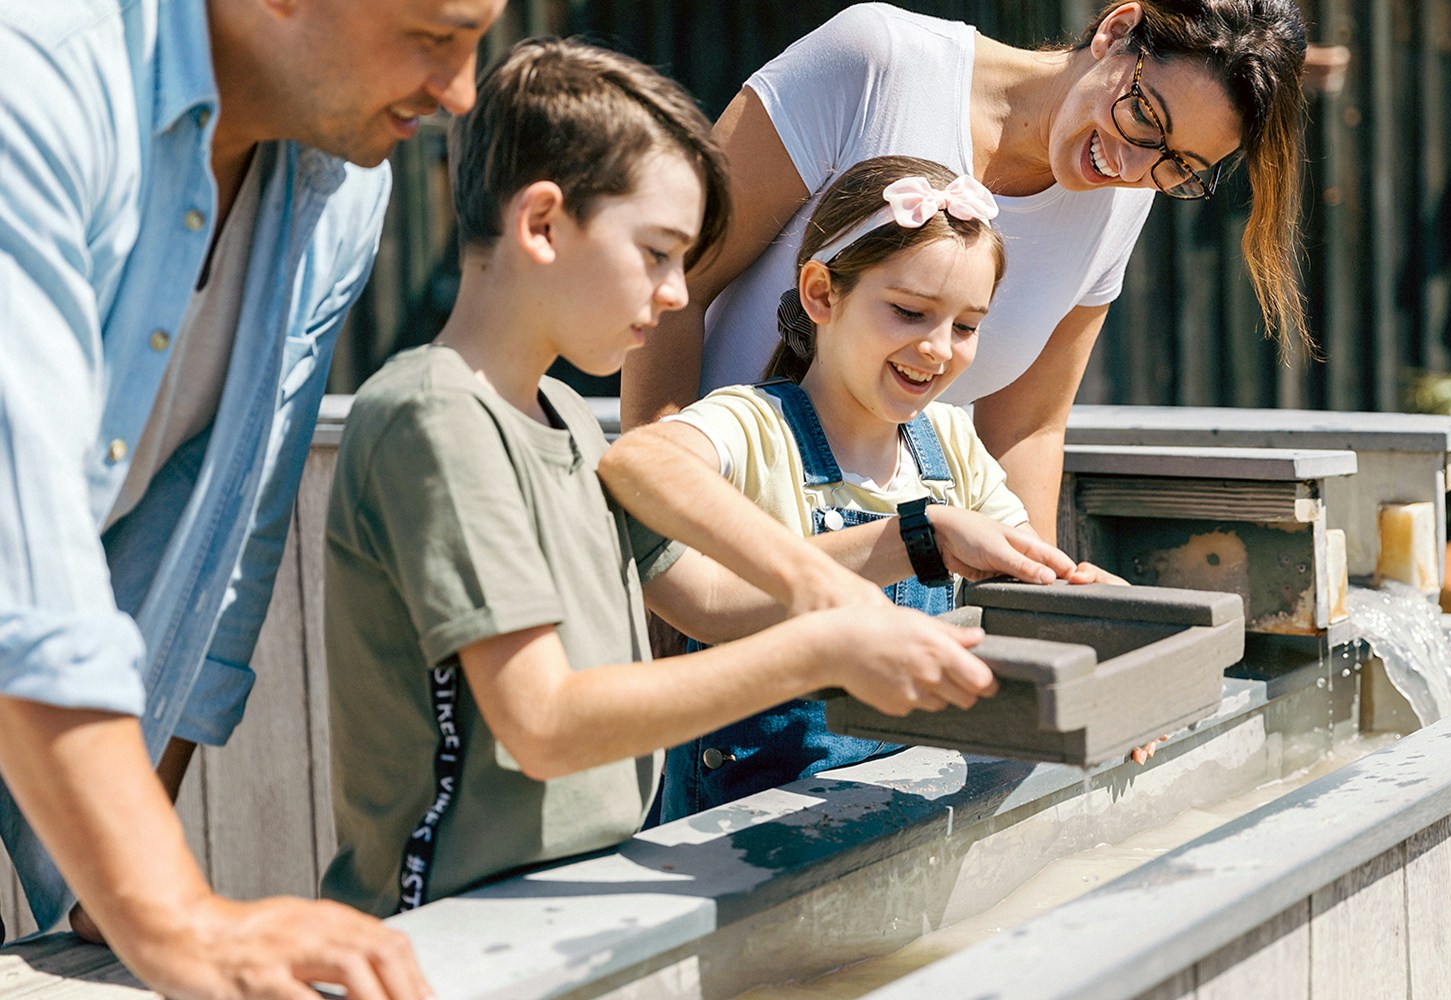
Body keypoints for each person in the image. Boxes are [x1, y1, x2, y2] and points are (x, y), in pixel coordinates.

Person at [318, 39, 1020, 918]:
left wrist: (918, 538)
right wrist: (824, 646)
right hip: (450, 929)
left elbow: (710, 604)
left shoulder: (568, 418)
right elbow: (543, 723)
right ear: (541, 225)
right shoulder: (436, 417)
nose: (680, 294)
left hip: (577, 901)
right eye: (656, 253)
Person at [0, 0, 503, 995]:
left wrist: (130, 870)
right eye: (437, 37)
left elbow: (224, 534)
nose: (462, 93)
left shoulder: (346, 188)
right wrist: (172, 912)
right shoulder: (35, 83)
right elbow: (22, 560)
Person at [621, 0, 1309, 542]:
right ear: (1118, 30)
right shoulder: (875, 64)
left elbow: (1026, 430)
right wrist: (667, 545)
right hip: (716, 531)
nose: (1130, 166)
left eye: (1180, 167)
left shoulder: (1124, 201)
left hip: (889, 572)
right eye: (1143, 116)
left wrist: (1041, 619)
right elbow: (671, 283)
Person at [604, 155, 1124, 821]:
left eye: (966, 326)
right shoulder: (754, 427)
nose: (939, 348)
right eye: (911, 312)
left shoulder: (952, 443)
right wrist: (912, 538)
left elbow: (1028, 584)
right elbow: (639, 462)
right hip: (741, 839)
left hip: (904, 814)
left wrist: (1107, 647)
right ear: (821, 294)